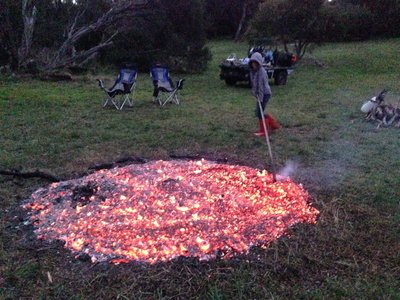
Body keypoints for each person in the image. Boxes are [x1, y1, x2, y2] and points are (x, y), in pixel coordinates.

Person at [249, 52, 280, 136]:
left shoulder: (261, 72)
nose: (253, 64)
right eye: (252, 62)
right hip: (260, 94)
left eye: (255, 63)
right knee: (259, 112)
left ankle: (264, 131)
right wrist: (254, 93)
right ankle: (273, 125)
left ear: (259, 63)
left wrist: (260, 97)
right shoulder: (253, 71)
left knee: (259, 112)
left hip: (265, 94)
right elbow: (254, 84)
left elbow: (261, 86)